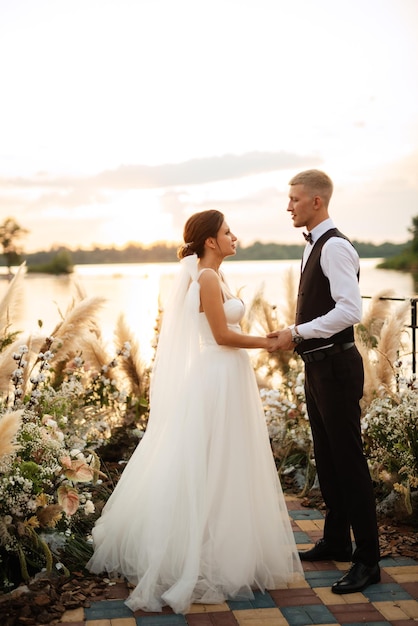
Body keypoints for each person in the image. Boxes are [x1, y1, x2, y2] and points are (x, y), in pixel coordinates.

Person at [87, 209, 303, 614]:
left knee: (227, 461)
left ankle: (226, 545)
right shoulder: (205, 277)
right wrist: (271, 342)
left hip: (229, 374)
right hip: (217, 376)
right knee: (210, 461)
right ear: (210, 241)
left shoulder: (215, 275)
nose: (234, 236)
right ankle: (195, 554)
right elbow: (222, 336)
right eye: (227, 232)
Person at [267, 170, 380, 595]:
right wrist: (298, 337)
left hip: (336, 366)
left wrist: (295, 333)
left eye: (295, 199)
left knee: (349, 461)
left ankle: (368, 560)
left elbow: (350, 311)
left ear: (317, 201)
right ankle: (337, 540)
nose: (289, 206)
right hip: (317, 366)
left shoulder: (334, 247)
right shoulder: (314, 245)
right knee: (327, 457)